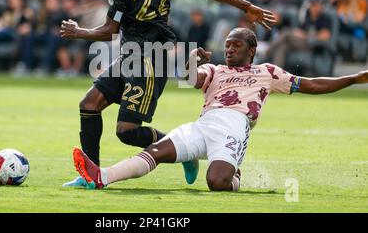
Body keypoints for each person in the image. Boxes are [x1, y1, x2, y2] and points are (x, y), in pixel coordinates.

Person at [60, 0, 276, 187]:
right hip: (134, 56)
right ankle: (89, 177)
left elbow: (109, 31)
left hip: (150, 59)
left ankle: (183, 154)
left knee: (126, 133)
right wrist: (246, 6)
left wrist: (77, 31)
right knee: (89, 104)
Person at [71, 27, 368, 191]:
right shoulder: (216, 70)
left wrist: (354, 78)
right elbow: (189, 79)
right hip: (204, 123)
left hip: (234, 126)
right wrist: (193, 61)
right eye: (227, 45)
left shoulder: (267, 71)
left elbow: (311, 84)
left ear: (250, 50)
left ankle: (234, 175)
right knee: (156, 152)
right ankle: (102, 176)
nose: (229, 50)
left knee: (216, 182)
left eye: (235, 45)